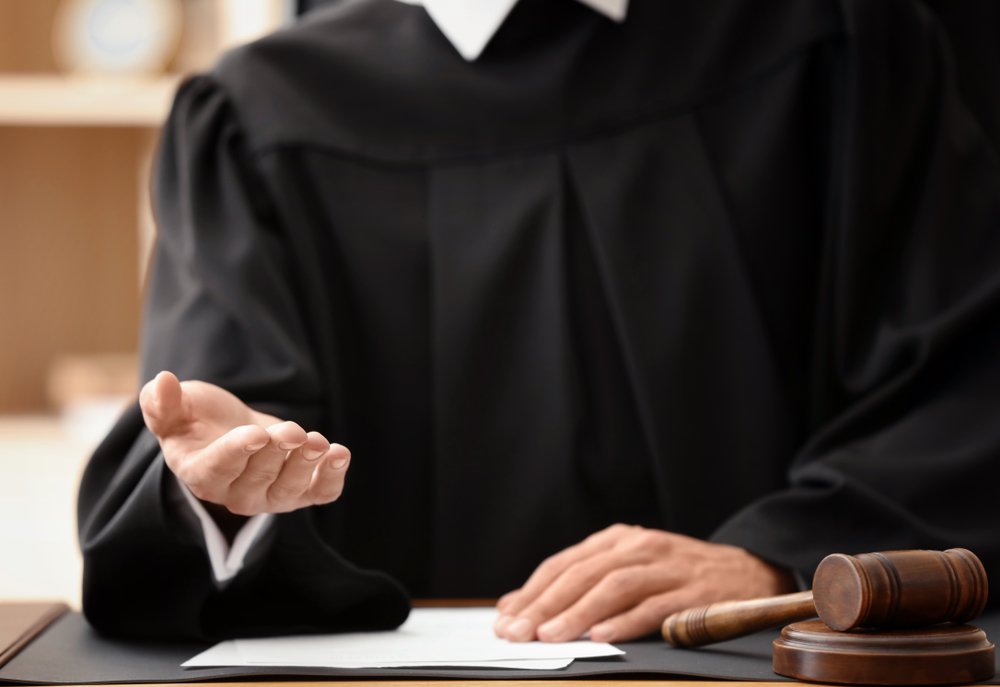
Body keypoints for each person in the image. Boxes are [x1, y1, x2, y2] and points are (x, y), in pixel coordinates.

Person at [78, 0, 1000, 642]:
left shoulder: (834, 38)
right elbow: (216, 434)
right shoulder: (255, 120)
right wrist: (221, 494)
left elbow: (967, 384)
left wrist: (783, 558)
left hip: (772, 665)